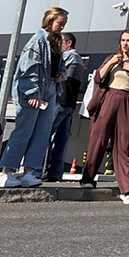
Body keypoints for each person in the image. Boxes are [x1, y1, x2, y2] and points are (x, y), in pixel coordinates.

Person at [0, 7, 68, 188]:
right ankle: (6, 171)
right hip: (36, 90)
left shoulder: (55, 42)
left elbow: (60, 65)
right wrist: (32, 92)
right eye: (60, 23)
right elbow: (29, 67)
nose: (62, 27)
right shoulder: (37, 41)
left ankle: (30, 171)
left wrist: (61, 74)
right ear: (50, 21)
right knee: (24, 130)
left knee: (43, 132)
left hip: (50, 88)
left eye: (64, 24)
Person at [80, 29, 129, 204]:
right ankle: (87, 178)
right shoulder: (111, 58)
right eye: (123, 40)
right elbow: (98, 78)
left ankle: (128, 189)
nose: (125, 44)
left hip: (126, 101)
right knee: (98, 140)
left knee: (124, 144)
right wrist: (111, 62)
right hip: (107, 99)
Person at [45, 33, 86, 182]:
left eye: (61, 42)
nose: (58, 45)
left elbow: (52, 69)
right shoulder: (79, 59)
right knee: (61, 140)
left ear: (69, 43)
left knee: (45, 135)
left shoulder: (69, 56)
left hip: (60, 102)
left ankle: (38, 169)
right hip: (69, 104)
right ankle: (55, 172)